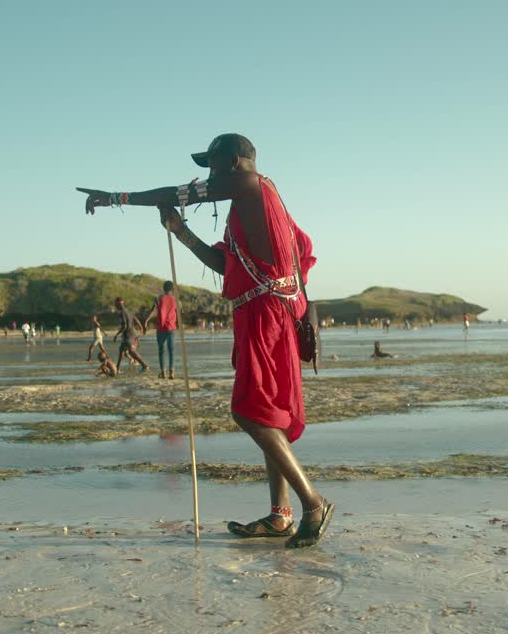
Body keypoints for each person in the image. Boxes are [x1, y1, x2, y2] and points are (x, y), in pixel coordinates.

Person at [79, 132, 333, 548]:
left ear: (234, 161)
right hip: (265, 312)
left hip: (267, 315)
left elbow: (176, 192)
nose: (208, 174)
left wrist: (115, 198)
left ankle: (314, 502)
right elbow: (223, 262)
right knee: (268, 413)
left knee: (249, 412)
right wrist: (181, 232)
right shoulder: (253, 201)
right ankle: (279, 515)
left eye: (212, 164)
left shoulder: (249, 184)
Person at [145, 281, 179, 378]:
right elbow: (180, 310)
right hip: (171, 327)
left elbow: (154, 310)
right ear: (172, 289)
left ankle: (163, 372)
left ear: (163, 289)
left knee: (161, 350)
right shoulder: (175, 300)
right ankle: (171, 372)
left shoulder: (158, 298)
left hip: (161, 328)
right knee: (171, 350)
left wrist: (147, 320)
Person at [112, 298, 148, 373]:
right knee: (122, 350)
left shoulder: (122, 313)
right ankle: (117, 369)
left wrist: (116, 335)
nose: (115, 305)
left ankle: (144, 365)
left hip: (128, 334)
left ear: (118, 303)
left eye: (115, 304)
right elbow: (136, 319)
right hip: (132, 334)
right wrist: (141, 327)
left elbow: (124, 326)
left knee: (131, 351)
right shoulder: (129, 311)